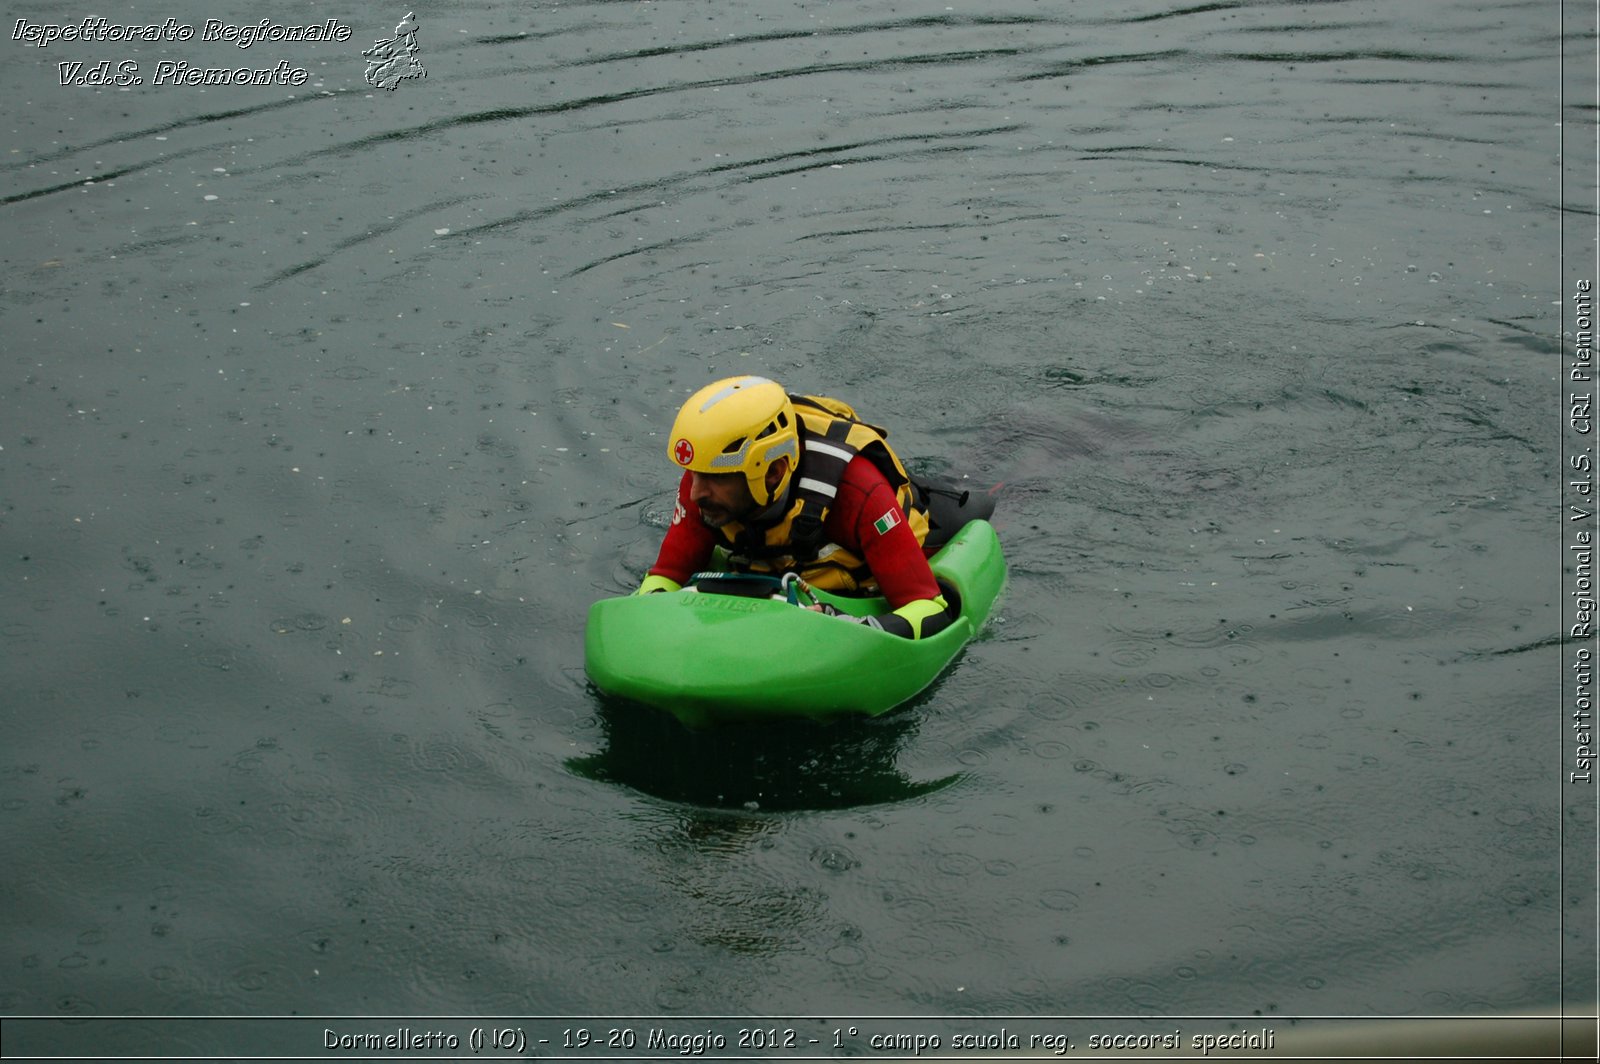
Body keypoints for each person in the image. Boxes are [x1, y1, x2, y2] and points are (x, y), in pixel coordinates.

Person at [637, 375, 954, 639]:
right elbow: (666, 575)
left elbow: (931, 609)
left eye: (715, 478)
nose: (695, 494)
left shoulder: (858, 492)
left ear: (772, 472)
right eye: (695, 474)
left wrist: (854, 628)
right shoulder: (705, 488)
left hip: (923, 526)